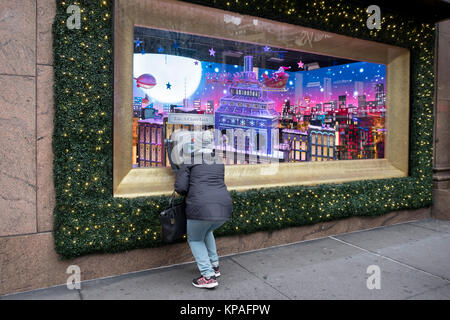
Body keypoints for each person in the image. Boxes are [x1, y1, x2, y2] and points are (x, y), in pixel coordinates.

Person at [174, 137, 233, 289]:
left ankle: (208, 276)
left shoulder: (190, 160)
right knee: (206, 232)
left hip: (200, 207)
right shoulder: (218, 161)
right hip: (224, 207)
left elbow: (180, 187)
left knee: (195, 239)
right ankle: (214, 266)